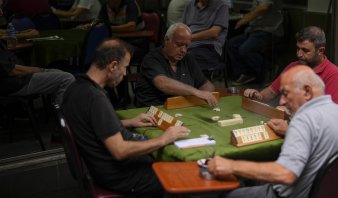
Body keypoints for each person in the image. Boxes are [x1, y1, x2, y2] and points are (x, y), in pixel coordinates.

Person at [62, 38, 190, 197]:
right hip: (120, 175)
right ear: (113, 65)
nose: (125, 73)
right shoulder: (96, 98)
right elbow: (120, 150)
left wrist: (127, 122)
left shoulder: (75, 88)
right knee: (183, 174)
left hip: (101, 168)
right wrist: (164, 138)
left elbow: (89, 123)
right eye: (125, 68)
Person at [207, 65, 338, 198]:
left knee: (226, 194)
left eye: (286, 93)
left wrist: (231, 166)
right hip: (332, 193)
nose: (281, 101)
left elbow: (285, 174)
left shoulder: (304, 120)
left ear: (307, 92)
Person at [0, 0, 75, 105]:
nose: (1, 13)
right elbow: (11, 70)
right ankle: (63, 118)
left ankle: (58, 111)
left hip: (16, 78)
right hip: (12, 83)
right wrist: (39, 70)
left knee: (59, 72)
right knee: (66, 78)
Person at [134, 23, 217, 107]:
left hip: (180, 107)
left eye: (186, 46)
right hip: (153, 109)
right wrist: (196, 92)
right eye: (179, 45)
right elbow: (163, 84)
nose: (183, 50)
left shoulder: (188, 58)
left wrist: (207, 94)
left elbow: (206, 84)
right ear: (166, 40)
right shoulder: (152, 58)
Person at [229, 0, 283, 85]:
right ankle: (246, 73)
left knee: (245, 49)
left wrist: (246, 19)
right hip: (253, 30)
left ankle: (269, 68)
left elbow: (263, 7)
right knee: (232, 44)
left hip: (268, 30)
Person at [182, 0, 229, 71]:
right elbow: (183, 27)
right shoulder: (190, 4)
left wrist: (189, 37)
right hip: (187, 44)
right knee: (164, 53)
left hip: (207, 46)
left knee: (187, 58)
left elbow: (214, 32)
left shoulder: (222, 5)